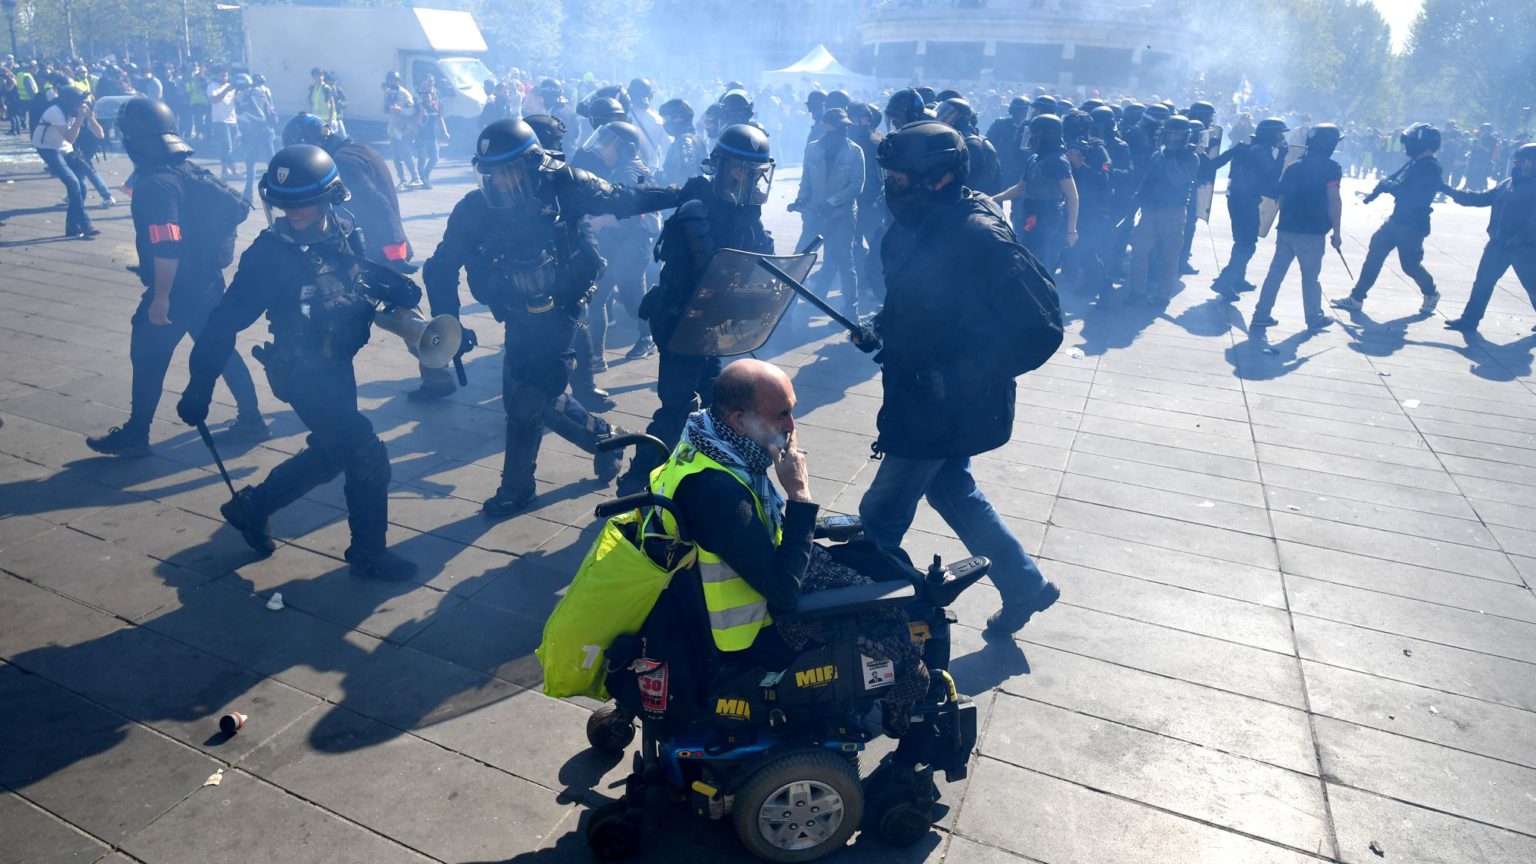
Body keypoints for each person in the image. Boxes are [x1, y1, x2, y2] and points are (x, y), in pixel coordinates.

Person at [853, 119, 1064, 636]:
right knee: (952, 490)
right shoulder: (908, 228)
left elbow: (1041, 328)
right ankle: (1025, 586)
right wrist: (880, 327)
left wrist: (962, 376)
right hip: (914, 396)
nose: (890, 188)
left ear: (939, 177)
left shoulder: (979, 234)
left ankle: (864, 628)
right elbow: (913, 302)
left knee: (878, 517)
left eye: (900, 179)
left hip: (947, 408)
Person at [421, 119, 688, 518]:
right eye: (492, 173)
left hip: (564, 308)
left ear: (533, 166)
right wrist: (451, 326)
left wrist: (681, 193)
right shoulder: (473, 209)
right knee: (530, 398)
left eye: (511, 171)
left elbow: (622, 198)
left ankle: (516, 488)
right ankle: (605, 436)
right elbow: (440, 266)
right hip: (515, 314)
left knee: (528, 399)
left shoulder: (568, 185)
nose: (502, 181)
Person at [176, 144, 420, 580]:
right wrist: (199, 386)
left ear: (329, 198)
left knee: (331, 452)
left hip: (339, 363)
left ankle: (253, 507)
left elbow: (354, 278)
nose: (294, 212)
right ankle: (368, 553)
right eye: (283, 204)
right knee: (365, 451)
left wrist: (391, 288)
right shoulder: (268, 255)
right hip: (301, 372)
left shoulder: (345, 229)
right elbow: (223, 322)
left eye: (303, 202)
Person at [85, 98, 266, 458]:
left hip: (178, 288)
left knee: (148, 353)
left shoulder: (156, 184)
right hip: (208, 280)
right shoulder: (187, 169)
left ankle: (137, 433)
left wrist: (161, 295)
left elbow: (167, 243)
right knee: (220, 350)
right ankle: (252, 419)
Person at [616, 124, 776, 497]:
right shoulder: (696, 211)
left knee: (723, 403)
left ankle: (718, 478)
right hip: (682, 327)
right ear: (722, 168)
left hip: (713, 327)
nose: (747, 179)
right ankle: (637, 481)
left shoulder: (746, 212)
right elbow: (716, 272)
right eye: (740, 170)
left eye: (755, 173)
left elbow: (763, 257)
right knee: (676, 408)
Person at [644, 359, 815, 663]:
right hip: (751, 636)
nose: (792, 426)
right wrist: (799, 495)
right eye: (782, 415)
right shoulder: (722, 495)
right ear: (740, 423)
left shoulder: (703, 435)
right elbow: (785, 593)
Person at [282, 112, 415, 273]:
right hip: (384, 249)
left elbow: (379, 206)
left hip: (375, 254)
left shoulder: (343, 163)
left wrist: (394, 255)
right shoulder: (359, 149)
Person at [1333, 124, 1444, 314]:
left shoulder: (1430, 168)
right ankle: (1357, 297)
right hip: (1397, 220)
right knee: (1375, 252)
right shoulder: (1417, 163)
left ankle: (1431, 292)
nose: (1407, 145)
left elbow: (1412, 196)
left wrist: (1390, 186)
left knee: (1409, 265)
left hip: (1413, 225)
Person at [1248, 124, 1344, 332]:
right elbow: (1333, 200)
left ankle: (1261, 314)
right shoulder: (1332, 168)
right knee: (1310, 278)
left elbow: (1281, 198)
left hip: (1287, 229)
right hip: (1312, 232)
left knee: (1275, 274)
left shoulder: (1294, 166)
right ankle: (1314, 316)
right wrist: (1336, 231)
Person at [1442, 144, 1536, 333]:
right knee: (1483, 282)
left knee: (1533, 286)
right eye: (1516, 161)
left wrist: (1519, 238)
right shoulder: (1507, 183)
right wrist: (1448, 190)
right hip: (1498, 244)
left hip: (1525, 248)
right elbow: (1480, 199)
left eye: (1522, 162)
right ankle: (1469, 320)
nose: (1516, 165)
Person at [793, 107, 866, 318]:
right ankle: (787, 308)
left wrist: (832, 203)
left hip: (842, 217)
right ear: (825, 127)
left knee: (845, 263)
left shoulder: (854, 151)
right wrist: (802, 199)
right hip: (814, 216)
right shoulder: (812, 149)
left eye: (844, 127)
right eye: (838, 127)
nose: (843, 131)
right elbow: (806, 178)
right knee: (799, 260)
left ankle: (851, 313)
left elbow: (856, 185)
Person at [1123, 115, 1200, 305]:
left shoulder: (1191, 158)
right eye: (1170, 134)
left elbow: (1177, 180)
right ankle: (1138, 290)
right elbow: (1148, 180)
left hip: (1172, 212)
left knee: (1169, 255)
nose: (1173, 138)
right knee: (1139, 250)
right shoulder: (1158, 154)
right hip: (1150, 210)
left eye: (1177, 135)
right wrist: (1138, 197)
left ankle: (1163, 295)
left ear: (1185, 137)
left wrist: (1171, 156)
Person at [1210, 117, 1288, 296]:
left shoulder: (1249, 148)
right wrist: (1282, 155)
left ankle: (1237, 279)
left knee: (1242, 241)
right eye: (1278, 134)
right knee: (1247, 244)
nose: (1281, 138)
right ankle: (1225, 280)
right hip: (1245, 202)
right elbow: (1272, 176)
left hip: (1238, 199)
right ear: (1270, 134)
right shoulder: (1260, 151)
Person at [994, 113, 1080, 272]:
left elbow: (1072, 196)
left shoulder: (1057, 161)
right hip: (1030, 212)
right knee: (1028, 255)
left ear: (1046, 135)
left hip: (1046, 216)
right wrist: (992, 199)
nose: (1031, 137)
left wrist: (1071, 230)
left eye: (1035, 133)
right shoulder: (1035, 158)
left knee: (1037, 261)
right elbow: (1020, 188)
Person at [30, 85, 99, 240]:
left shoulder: (72, 110)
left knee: (82, 186)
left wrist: (89, 116)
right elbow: (70, 137)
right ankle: (85, 223)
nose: (82, 105)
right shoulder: (55, 112)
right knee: (73, 183)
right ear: (70, 102)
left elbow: (98, 133)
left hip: (64, 147)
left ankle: (72, 227)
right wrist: (80, 118)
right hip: (47, 148)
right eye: (79, 102)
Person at [232, 73, 276, 202]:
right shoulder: (246, 96)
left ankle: (280, 191)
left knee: (272, 164)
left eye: (239, 87)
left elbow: (260, 117)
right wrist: (240, 104)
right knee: (250, 161)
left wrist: (244, 110)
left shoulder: (253, 95)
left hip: (265, 133)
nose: (237, 90)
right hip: (257, 135)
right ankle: (248, 193)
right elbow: (240, 114)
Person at [657, 98, 705, 187]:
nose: (665, 123)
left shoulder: (685, 142)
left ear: (679, 118)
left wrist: (665, 180)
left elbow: (688, 175)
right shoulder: (695, 139)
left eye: (666, 118)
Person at [382, 72, 419, 188]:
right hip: (393, 128)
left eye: (395, 80)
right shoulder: (388, 93)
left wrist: (400, 110)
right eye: (391, 80)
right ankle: (402, 180)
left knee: (405, 153)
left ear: (398, 80)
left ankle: (415, 177)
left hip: (405, 128)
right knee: (396, 155)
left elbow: (411, 110)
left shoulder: (404, 94)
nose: (393, 82)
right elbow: (385, 109)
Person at [411, 76, 449, 188]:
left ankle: (425, 176)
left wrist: (445, 132)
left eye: (428, 94)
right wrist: (421, 114)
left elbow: (440, 118)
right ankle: (424, 181)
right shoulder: (418, 106)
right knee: (422, 159)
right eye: (424, 94)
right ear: (422, 95)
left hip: (433, 137)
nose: (427, 96)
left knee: (434, 158)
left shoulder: (436, 105)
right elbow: (415, 122)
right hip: (421, 137)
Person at [206, 66, 238, 179]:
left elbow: (237, 101)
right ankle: (234, 170)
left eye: (226, 75)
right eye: (222, 75)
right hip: (220, 121)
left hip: (232, 120)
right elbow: (214, 100)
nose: (224, 77)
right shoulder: (212, 86)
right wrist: (226, 90)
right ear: (217, 76)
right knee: (227, 146)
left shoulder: (232, 87)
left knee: (230, 147)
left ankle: (224, 170)